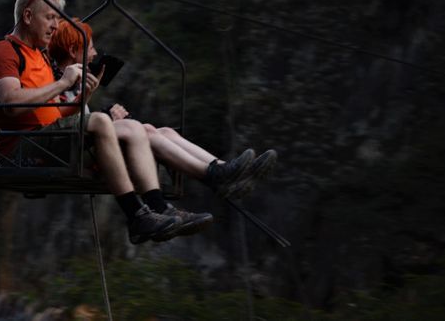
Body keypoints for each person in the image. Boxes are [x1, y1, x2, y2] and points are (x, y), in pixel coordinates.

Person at [0, 0, 213, 244]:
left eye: (57, 19)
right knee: (101, 120)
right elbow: (10, 103)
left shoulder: (40, 57)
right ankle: (137, 216)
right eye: (50, 17)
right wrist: (62, 83)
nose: (55, 26)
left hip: (49, 140)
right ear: (27, 16)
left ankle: (158, 208)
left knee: (134, 127)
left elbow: (56, 112)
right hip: (22, 147)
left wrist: (84, 97)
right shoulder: (4, 52)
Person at [47, 17, 277, 199]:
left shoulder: (73, 82)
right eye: (90, 47)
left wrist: (107, 114)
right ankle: (216, 176)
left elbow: (79, 117)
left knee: (163, 131)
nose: (95, 54)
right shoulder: (57, 83)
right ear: (72, 50)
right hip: (82, 152)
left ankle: (223, 169)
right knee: (146, 132)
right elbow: (63, 122)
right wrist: (104, 115)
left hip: (88, 143)